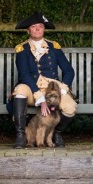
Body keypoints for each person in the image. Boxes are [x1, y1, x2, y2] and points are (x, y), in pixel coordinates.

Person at [9, 11, 77, 149]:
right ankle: (21, 135)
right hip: (31, 88)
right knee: (19, 91)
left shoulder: (54, 47)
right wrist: (38, 95)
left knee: (70, 107)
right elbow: (23, 74)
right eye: (34, 26)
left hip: (52, 89)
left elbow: (69, 71)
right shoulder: (22, 49)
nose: (38, 29)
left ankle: (57, 134)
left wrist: (63, 88)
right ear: (28, 30)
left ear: (44, 28)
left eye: (40, 26)